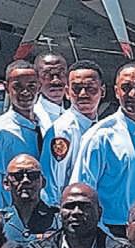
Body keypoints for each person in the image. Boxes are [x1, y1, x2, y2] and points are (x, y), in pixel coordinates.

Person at [70, 63, 135, 229]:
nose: (133, 94)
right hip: (114, 231)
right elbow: (82, 192)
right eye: (126, 88)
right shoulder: (99, 137)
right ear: (116, 91)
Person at [0, 60, 52, 203]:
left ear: (39, 87)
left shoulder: (46, 125)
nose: (25, 92)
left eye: (31, 86)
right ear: (7, 88)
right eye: (17, 87)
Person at [41, 61, 107, 202]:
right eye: (76, 89)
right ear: (67, 93)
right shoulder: (62, 131)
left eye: (90, 88)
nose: (83, 94)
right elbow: (51, 185)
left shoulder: (105, 128)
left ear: (102, 91)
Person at [0, 154, 58, 246]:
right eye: (18, 176)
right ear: (6, 183)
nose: (25, 180)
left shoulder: (58, 219)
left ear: (43, 182)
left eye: (33, 175)